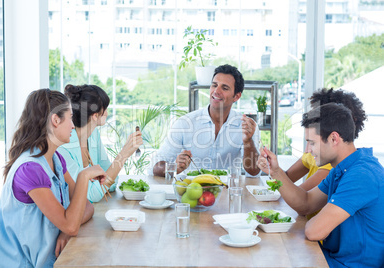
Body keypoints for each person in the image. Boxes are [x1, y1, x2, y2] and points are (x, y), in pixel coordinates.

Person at [258, 103, 384, 267]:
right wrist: (275, 172)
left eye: (312, 142)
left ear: (333, 138)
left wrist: (316, 220)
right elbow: (306, 203)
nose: (308, 150)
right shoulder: (342, 169)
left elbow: (314, 231)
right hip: (331, 259)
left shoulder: (362, 175)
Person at [0, 89, 107, 267]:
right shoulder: (29, 169)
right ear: (55, 120)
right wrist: (84, 176)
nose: (72, 126)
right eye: (70, 118)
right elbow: (71, 224)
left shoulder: (56, 159)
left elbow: (86, 207)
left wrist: (66, 231)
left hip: (51, 260)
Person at [152, 64, 261, 177]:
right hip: (191, 191)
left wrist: (248, 141)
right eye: (214, 85)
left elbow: (254, 172)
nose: (216, 91)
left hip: (227, 190)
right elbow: (155, 167)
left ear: (236, 96)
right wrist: (174, 166)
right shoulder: (185, 123)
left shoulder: (246, 126)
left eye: (224, 88)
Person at [57, 84, 143, 203]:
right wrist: (124, 154)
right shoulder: (64, 147)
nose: (107, 113)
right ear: (95, 115)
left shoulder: (93, 135)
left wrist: (100, 183)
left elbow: (112, 182)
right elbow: (90, 196)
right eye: (105, 108)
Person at [286, 88, 367, 192]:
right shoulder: (315, 154)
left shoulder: (332, 164)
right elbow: (287, 182)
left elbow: (302, 199)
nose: (308, 149)